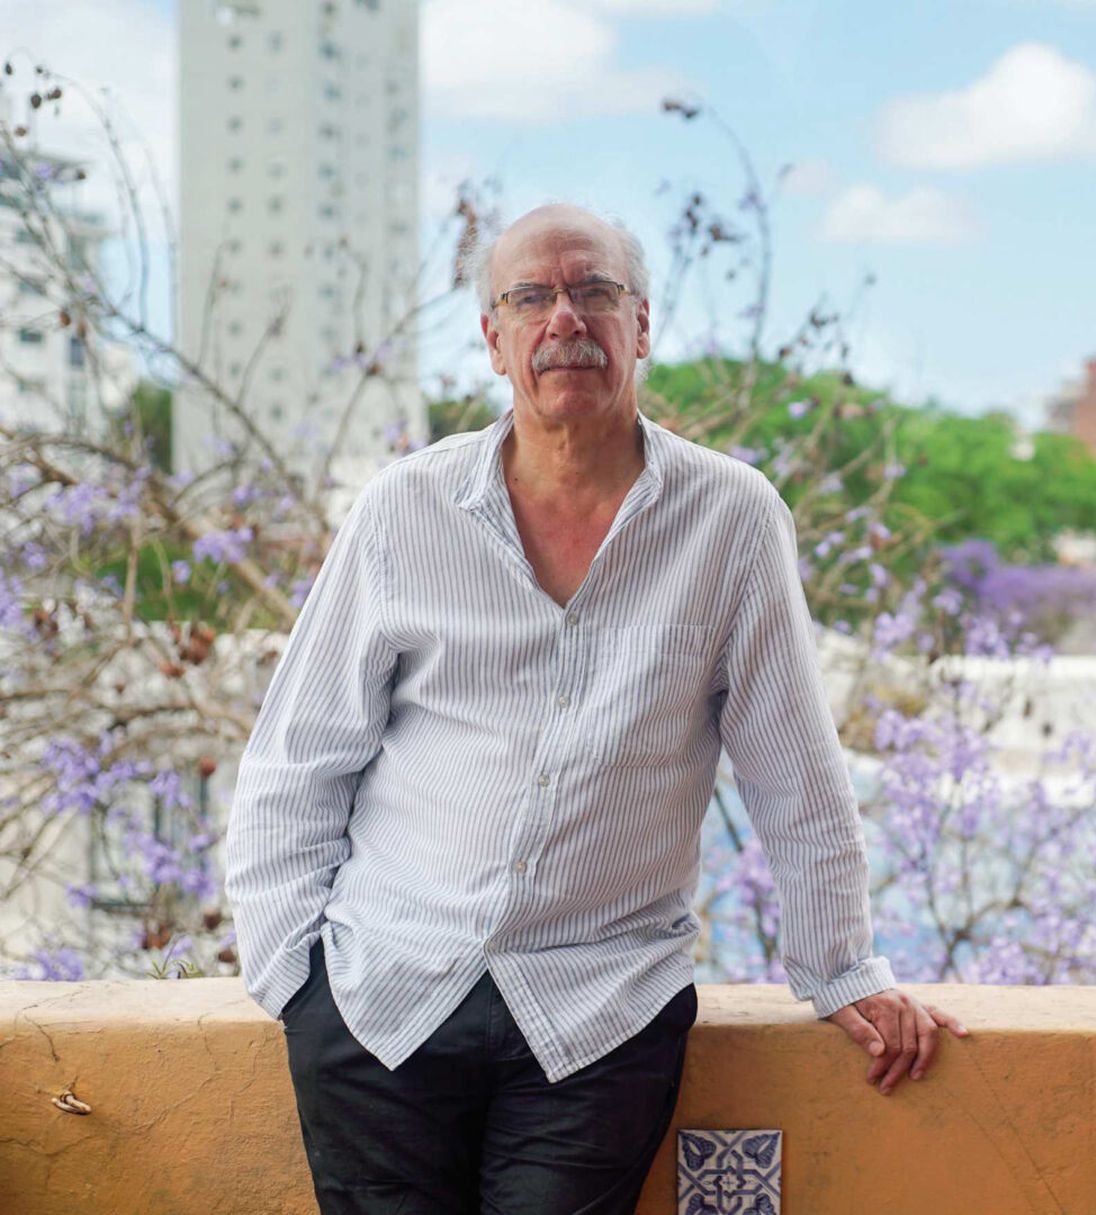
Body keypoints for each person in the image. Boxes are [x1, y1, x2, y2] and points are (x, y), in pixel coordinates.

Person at [225, 202, 967, 1215]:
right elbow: (299, 755)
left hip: (598, 1012)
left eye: (594, 292)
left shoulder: (731, 519)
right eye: (530, 297)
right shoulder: (404, 510)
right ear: (494, 340)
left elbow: (792, 766)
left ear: (641, 325)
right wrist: (291, 978)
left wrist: (843, 968)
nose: (563, 318)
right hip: (378, 999)